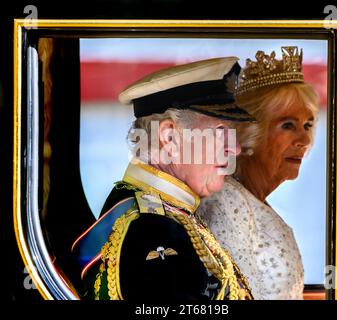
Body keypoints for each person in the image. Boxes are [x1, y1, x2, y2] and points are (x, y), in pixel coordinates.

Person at [71, 56, 256, 300]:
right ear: (169, 138)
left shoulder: (162, 216)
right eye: (220, 132)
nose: (235, 149)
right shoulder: (150, 228)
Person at [198, 47, 319, 300]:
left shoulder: (251, 200)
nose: (304, 140)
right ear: (249, 133)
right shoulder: (226, 203)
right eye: (288, 125)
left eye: (308, 125)